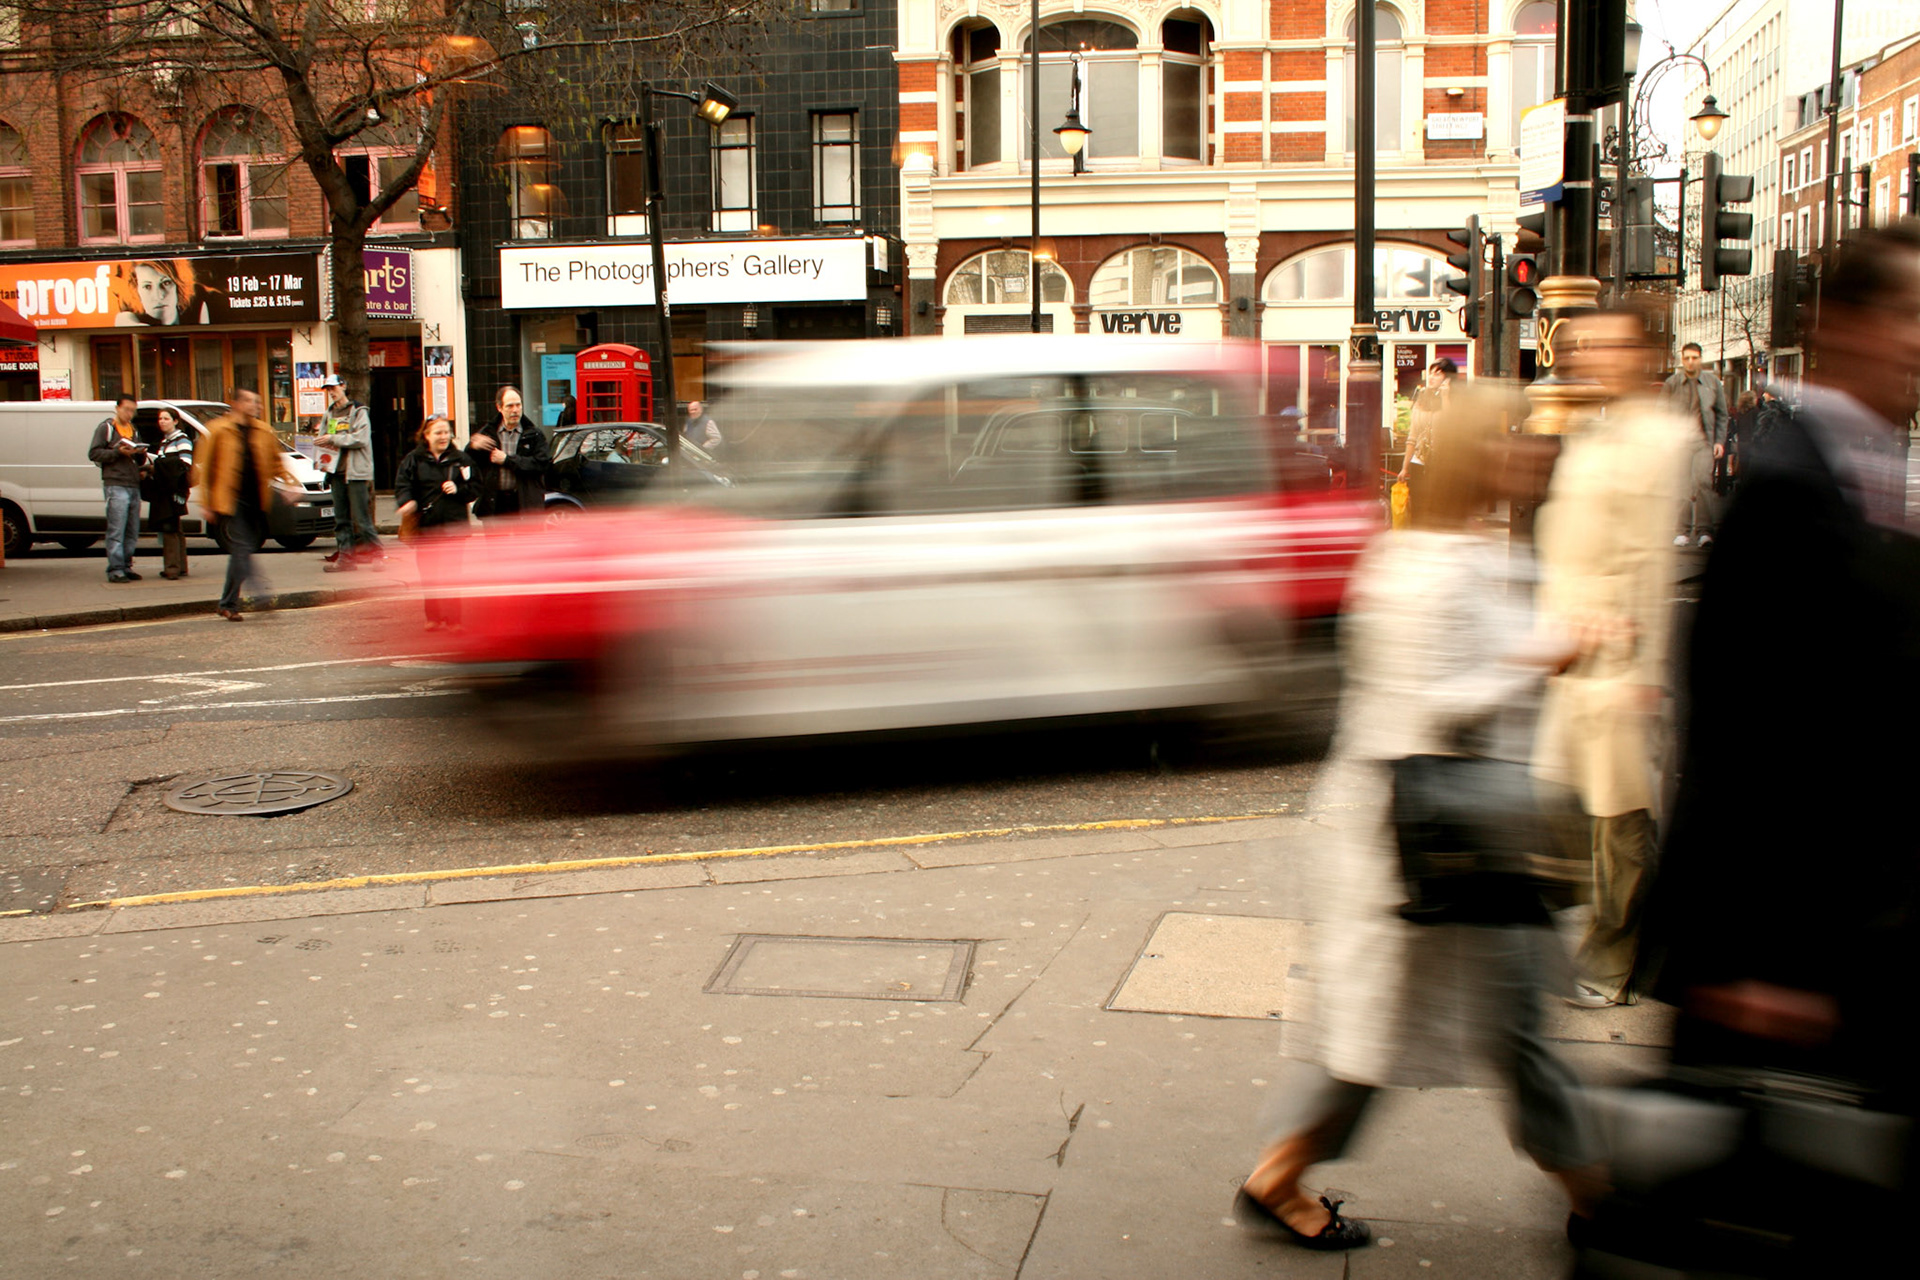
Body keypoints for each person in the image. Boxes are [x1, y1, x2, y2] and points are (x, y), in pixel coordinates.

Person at [1235, 389, 1599, 1251]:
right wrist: (1541, 656)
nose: (1531, 451)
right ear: (1476, 455)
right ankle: (1603, 1200)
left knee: (1405, 1030)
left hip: (1462, 833)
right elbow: (1422, 711)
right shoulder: (1425, 568)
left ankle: (1279, 1177)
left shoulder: (1467, 552)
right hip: (1419, 844)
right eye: (1511, 437)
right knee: (1445, 1029)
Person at [1639, 222, 1920, 1250]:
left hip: (1853, 942)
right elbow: (1737, 726)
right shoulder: (1792, 486)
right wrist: (1749, 959)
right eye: (1910, 314)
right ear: (1845, 324)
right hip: (1781, 955)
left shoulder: (1866, 473)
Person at [1532, 307, 1696, 1009]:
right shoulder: (1596, 431)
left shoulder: (1661, 438)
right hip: (1575, 647)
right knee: (1580, 810)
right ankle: (1611, 948)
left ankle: (1612, 966)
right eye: (1583, 344)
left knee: (1620, 820)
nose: (1589, 353)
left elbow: (1652, 560)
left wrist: (1646, 670)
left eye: (1609, 344)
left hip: (1617, 651)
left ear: (1642, 354)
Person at [192, 387, 291, 622]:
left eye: (256, 401)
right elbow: (204, 467)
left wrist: (289, 486)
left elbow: (275, 462)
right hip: (230, 499)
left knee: (241, 552)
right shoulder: (218, 430)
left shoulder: (263, 430)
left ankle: (226, 603)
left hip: (256, 499)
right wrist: (206, 502)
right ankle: (259, 594)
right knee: (242, 549)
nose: (255, 405)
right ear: (236, 404)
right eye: (249, 401)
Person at [395, 415, 474, 631]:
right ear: (427, 435)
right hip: (427, 527)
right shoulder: (413, 459)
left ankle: (454, 620)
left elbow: (475, 488)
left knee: (452, 575)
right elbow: (403, 485)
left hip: (454, 527)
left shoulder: (461, 459)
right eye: (438, 433)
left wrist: (458, 490)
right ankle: (433, 617)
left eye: (447, 432)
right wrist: (407, 501)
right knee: (429, 575)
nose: (444, 437)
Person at [1661, 342, 1729, 547]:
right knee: (1682, 484)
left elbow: (1722, 414)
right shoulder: (1672, 383)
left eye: (1695, 358)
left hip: (1703, 442)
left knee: (1703, 483)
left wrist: (1719, 441)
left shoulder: (1712, 383)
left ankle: (1704, 531)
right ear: (1682, 360)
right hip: (1680, 442)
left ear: (1701, 359)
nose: (1691, 362)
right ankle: (1682, 530)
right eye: (1687, 358)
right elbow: (1661, 413)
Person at [317, 374, 382, 570]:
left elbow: (361, 438)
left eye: (334, 388)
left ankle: (377, 555)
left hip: (356, 473)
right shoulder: (329, 413)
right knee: (341, 519)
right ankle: (346, 558)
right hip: (336, 472)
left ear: (343, 386)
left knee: (361, 518)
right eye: (328, 389)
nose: (332, 392)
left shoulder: (358, 411)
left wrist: (333, 439)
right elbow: (323, 438)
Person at [87, 394, 147, 583]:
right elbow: (94, 453)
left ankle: (126, 565)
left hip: (133, 482)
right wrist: (117, 452)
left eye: (132, 411)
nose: (129, 414)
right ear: (117, 408)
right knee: (117, 528)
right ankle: (115, 569)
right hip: (115, 483)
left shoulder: (133, 429)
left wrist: (140, 453)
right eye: (126, 409)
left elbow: (139, 460)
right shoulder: (107, 428)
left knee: (132, 529)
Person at [466, 385, 550, 519]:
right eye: (510, 406)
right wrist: (472, 447)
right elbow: (468, 461)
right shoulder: (488, 433)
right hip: (494, 504)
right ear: (499, 407)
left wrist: (507, 460)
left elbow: (542, 464)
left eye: (518, 405)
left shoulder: (534, 434)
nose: (515, 410)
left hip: (524, 504)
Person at [1396, 358, 1455, 520]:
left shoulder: (1452, 400)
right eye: (1431, 373)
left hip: (1441, 463)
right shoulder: (1421, 398)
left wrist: (1445, 397)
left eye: (1438, 374)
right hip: (1419, 461)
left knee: (1439, 509)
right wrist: (1404, 467)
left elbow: (1451, 426)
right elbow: (1412, 436)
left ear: (1448, 379)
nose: (1432, 377)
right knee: (1418, 508)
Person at [147, 407, 194, 580]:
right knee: (176, 527)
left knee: (170, 527)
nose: (162, 422)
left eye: (166, 418)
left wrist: (158, 466)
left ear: (175, 421)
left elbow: (185, 464)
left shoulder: (182, 439)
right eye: (160, 418)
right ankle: (180, 567)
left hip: (174, 490)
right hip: (166, 489)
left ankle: (172, 568)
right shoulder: (165, 442)